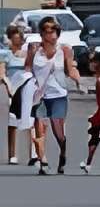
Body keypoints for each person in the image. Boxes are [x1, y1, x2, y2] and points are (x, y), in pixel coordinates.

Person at [24, 18, 70, 174]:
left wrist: (78, 81)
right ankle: (43, 161)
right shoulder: (34, 48)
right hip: (39, 95)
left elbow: (69, 71)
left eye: (54, 31)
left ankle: (62, 153)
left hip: (58, 95)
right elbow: (28, 66)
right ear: (42, 33)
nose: (51, 34)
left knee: (59, 133)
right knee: (40, 128)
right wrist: (29, 79)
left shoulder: (64, 49)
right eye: (47, 31)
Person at [1, 22, 28, 167]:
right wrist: (10, 89)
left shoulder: (26, 54)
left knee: (31, 121)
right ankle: (12, 155)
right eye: (14, 38)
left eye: (19, 39)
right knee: (12, 122)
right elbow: (3, 73)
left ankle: (35, 154)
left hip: (27, 88)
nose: (17, 41)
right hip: (12, 89)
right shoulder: (5, 54)